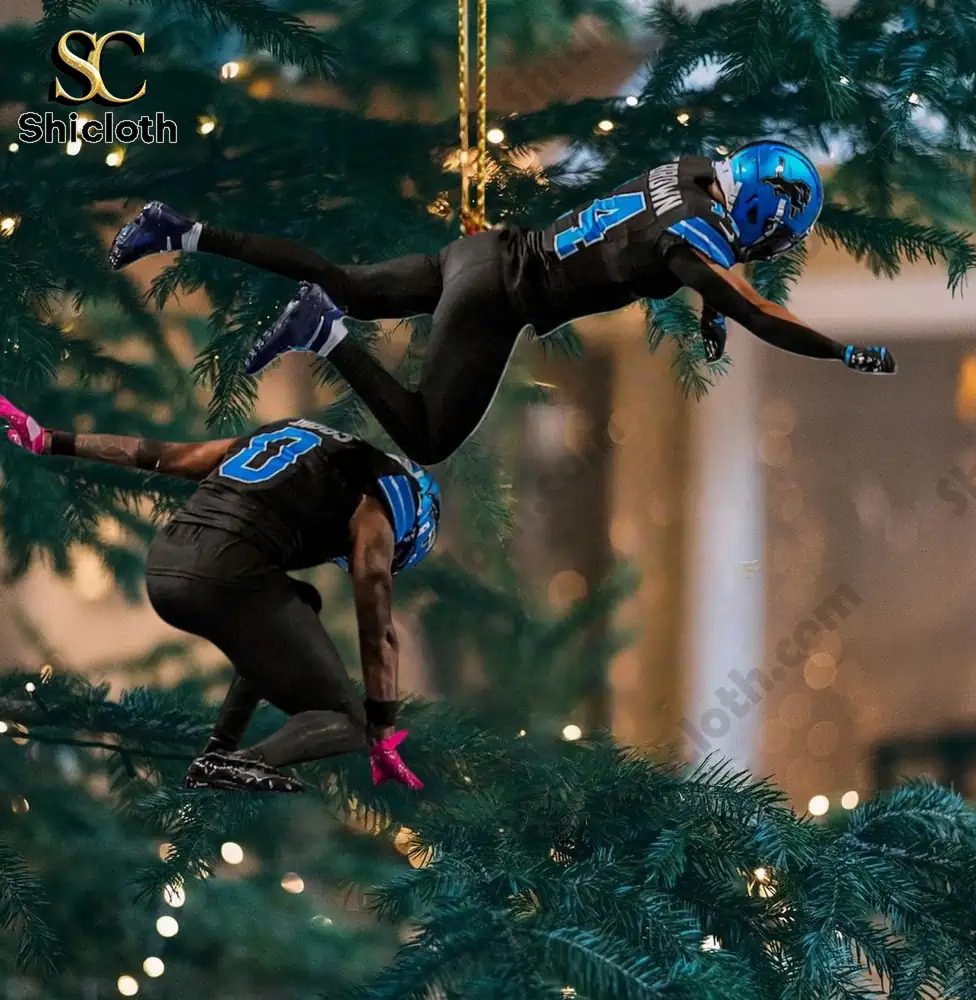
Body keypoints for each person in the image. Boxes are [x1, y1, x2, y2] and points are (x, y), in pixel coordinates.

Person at [108, 140, 896, 466]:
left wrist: (711, 312)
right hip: (498, 296)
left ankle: (181, 231)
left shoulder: (689, 171)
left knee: (346, 277)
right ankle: (324, 335)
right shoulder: (690, 246)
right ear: (760, 213)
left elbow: (708, 271)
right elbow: (755, 304)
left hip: (485, 252)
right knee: (427, 439)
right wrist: (843, 351)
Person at [0, 394, 439, 794]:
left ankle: (218, 749)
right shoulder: (378, 503)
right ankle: (240, 761)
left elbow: (163, 455)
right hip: (224, 577)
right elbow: (377, 626)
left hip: (166, 565)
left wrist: (51, 440)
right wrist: (381, 728)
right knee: (346, 722)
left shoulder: (291, 438)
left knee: (297, 604)